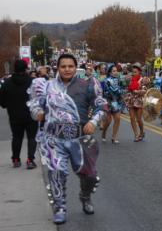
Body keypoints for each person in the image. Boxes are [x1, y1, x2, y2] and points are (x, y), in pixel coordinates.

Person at [27, 54, 108, 224]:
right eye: (63, 66)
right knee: (57, 173)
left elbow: (101, 106)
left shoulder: (87, 85)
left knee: (90, 176)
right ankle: (60, 207)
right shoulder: (47, 86)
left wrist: (93, 122)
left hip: (80, 138)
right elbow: (35, 105)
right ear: (57, 67)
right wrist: (38, 113)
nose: (67, 69)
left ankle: (85, 196)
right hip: (55, 139)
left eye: (70, 66)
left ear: (75, 67)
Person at [0, 60, 38, 169]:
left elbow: (2, 101)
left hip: (14, 115)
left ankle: (15, 159)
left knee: (16, 137)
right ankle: (30, 160)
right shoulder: (32, 82)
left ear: (14, 68)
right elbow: (38, 98)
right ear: (26, 68)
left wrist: (8, 105)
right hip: (31, 114)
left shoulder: (7, 83)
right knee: (31, 137)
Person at [101, 65, 127, 144]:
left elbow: (123, 88)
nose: (116, 72)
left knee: (118, 118)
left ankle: (114, 137)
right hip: (108, 101)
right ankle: (104, 133)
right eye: (114, 71)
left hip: (117, 101)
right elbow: (111, 90)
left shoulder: (120, 80)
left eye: (116, 71)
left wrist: (123, 93)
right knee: (108, 121)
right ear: (110, 72)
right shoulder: (106, 81)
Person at [126, 62, 149, 142]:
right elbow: (127, 89)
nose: (134, 73)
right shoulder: (130, 79)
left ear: (139, 72)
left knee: (139, 119)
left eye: (135, 72)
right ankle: (136, 134)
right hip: (131, 100)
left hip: (139, 101)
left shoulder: (143, 80)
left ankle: (142, 132)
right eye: (133, 72)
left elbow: (145, 91)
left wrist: (137, 92)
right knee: (132, 118)